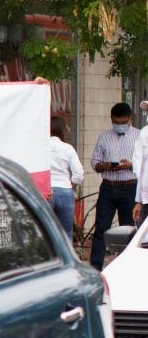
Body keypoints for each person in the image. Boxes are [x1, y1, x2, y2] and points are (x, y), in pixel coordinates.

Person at [90, 102, 139, 269]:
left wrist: (131, 165)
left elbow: (144, 164)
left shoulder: (139, 137)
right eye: (116, 122)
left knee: (129, 230)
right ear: (111, 119)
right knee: (101, 228)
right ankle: (96, 267)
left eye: (123, 122)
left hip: (130, 187)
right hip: (108, 187)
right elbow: (94, 162)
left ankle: (127, 266)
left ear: (130, 119)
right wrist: (104, 166)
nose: (119, 125)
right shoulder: (104, 137)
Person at [48, 117, 84, 242]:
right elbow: (79, 175)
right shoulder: (68, 148)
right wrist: (71, 185)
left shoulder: (38, 147)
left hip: (46, 192)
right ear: (62, 130)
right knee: (66, 234)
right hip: (65, 192)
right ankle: (66, 261)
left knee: (45, 233)